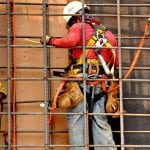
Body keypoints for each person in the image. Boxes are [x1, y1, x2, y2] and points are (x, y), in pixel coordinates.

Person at [41, 1, 119, 150]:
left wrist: (50, 40)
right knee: (100, 120)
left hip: (81, 81)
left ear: (74, 18)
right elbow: (115, 63)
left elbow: (70, 41)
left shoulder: (79, 26)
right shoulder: (108, 33)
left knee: (76, 118)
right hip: (101, 84)